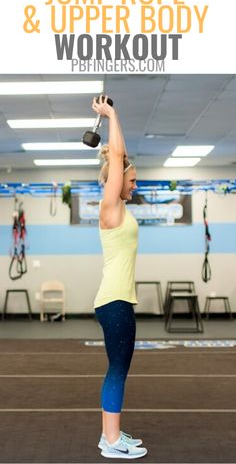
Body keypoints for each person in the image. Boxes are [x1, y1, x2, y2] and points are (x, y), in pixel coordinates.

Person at [93, 95, 148, 459]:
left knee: (119, 368)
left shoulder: (121, 207)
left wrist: (118, 121)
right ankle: (111, 442)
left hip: (118, 300)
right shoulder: (109, 206)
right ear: (117, 181)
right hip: (114, 301)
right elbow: (117, 159)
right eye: (132, 180)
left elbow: (120, 154)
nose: (135, 185)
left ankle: (110, 434)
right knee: (117, 370)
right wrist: (111, 114)